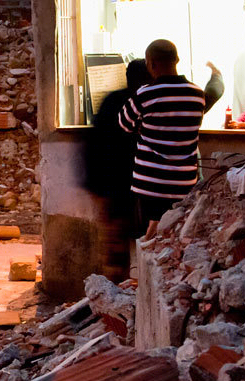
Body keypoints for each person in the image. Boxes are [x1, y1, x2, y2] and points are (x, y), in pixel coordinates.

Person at [116, 39, 207, 227]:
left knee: (152, 233)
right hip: (184, 182)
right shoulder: (197, 94)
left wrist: (144, 125)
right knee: (175, 231)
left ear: (151, 63)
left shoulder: (145, 94)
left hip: (150, 184)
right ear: (177, 59)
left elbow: (124, 124)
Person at [83, 58, 146, 276]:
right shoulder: (144, 104)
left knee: (116, 250)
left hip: (112, 188)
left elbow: (94, 145)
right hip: (133, 187)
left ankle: (115, 295)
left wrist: (96, 187)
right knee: (148, 245)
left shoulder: (111, 101)